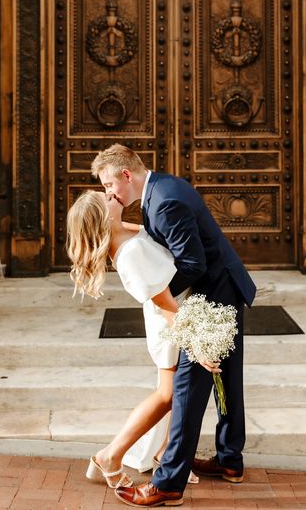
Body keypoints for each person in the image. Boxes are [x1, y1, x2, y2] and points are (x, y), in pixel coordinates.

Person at [91, 143, 257, 508]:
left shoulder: (164, 201)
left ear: (126, 175)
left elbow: (193, 264)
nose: (109, 193)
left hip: (213, 294)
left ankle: (167, 484)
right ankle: (230, 461)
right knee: (226, 378)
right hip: (223, 286)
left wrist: (159, 296)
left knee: (186, 390)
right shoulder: (160, 189)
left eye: (109, 185)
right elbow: (161, 239)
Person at [66, 190, 199, 490]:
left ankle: (164, 453)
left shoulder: (123, 232)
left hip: (171, 317)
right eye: (106, 198)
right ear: (103, 217)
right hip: (170, 322)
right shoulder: (130, 253)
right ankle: (110, 455)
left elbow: (148, 232)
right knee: (168, 395)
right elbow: (165, 302)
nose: (112, 194)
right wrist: (193, 337)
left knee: (176, 393)